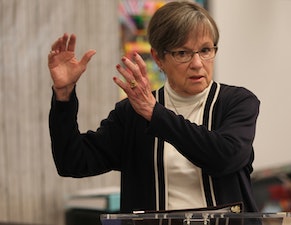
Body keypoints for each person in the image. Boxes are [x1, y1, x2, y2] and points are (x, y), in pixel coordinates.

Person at [48, 1, 260, 213]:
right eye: (183, 53)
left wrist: (155, 114)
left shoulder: (237, 102)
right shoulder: (132, 113)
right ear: (158, 58)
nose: (197, 63)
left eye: (205, 50)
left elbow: (224, 157)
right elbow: (72, 162)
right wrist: (63, 95)